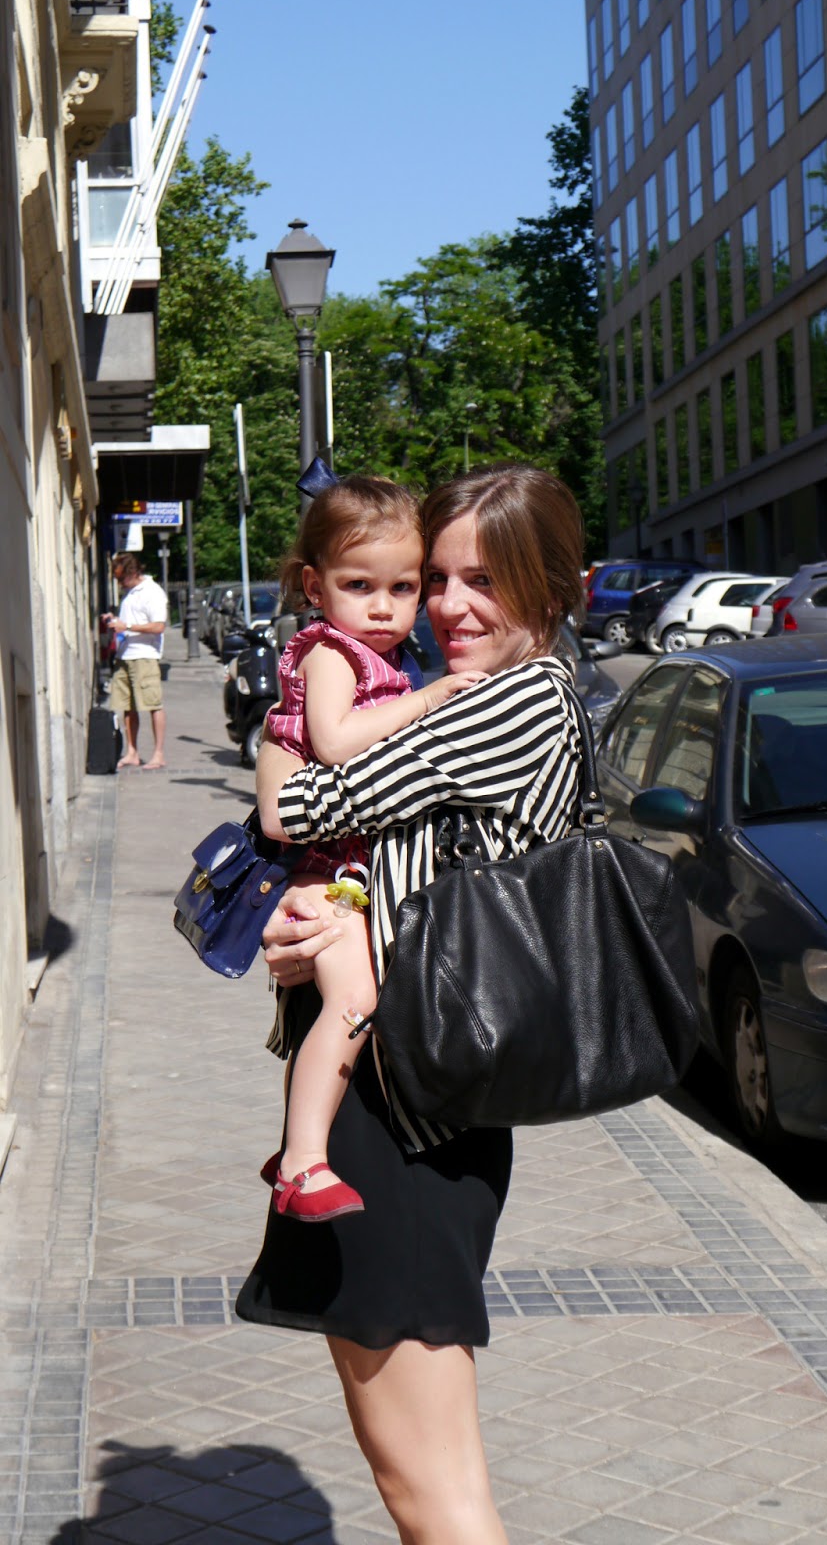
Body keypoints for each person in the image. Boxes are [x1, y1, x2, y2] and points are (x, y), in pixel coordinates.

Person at [237, 464, 586, 1545]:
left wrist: (273, 748)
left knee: (433, 1493)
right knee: (419, 1484)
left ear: (553, 588)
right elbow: (378, 862)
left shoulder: (512, 700)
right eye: (437, 578)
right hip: (397, 1104)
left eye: (485, 579)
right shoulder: (478, 692)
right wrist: (314, 925)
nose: (447, 607)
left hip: (410, 1124)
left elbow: (302, 802)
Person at [261, 477, 486, 1223]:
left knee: (343, 1003)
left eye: (403, 587)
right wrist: (425, 701)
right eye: (359, 585)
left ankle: (300, 1140)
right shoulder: (334, 653)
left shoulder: (377, 655)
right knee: (355, 1000)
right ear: (314, 587)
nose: (384, 607)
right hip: (325, 870)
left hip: (344, 869)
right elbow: (332, 743)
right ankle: (303, 1161)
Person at [105, 553, 168, 770]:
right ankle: (132, 752)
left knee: (153, 704)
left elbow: (158, 626)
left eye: (121, 579)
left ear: (133, 573)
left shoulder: (152, 592)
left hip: (144, 655)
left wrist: (127, 627)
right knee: (127, 706)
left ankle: (158, 754)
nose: (120, 584)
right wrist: (115, 621)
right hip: (125, 654)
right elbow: (130, 622)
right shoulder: (130, 593)